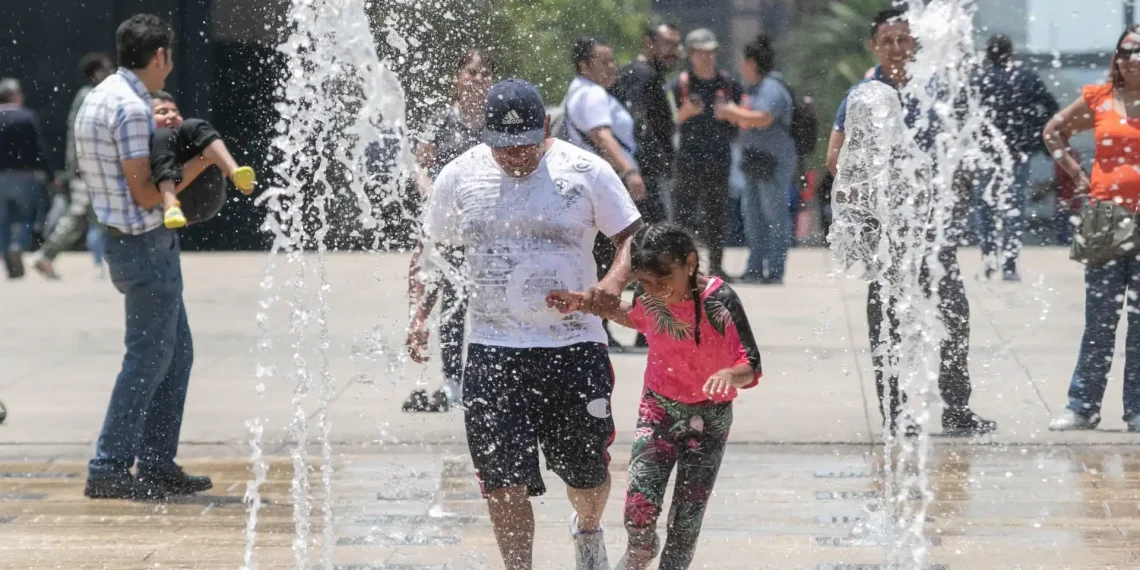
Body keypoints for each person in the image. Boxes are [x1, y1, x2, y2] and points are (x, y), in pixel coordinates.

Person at [407, 78, 642, 570]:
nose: (515, 157)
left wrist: (613, 283)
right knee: (501, 477)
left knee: (584, 474)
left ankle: (588, 528)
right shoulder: (460, 175)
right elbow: (429, 250)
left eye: (525, 145)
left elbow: (633, 237)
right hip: (493, 349)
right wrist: (418, 316)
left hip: (574, 345)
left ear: (546, 127)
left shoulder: (586, 170)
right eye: (503, 148)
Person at [545, 223, 760, 570]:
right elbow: (635, 318)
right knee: (639, 506)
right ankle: (640, 550)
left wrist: (730, 375)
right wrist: (584, 304)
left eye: (664, 282)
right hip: (658, 410)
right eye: (645, 284)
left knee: (686, 519)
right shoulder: (651, 297)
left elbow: (751, 363)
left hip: (711, 419)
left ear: (690, 263)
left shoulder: (720, 301)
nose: (657, 292)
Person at [827, 8, 997, 437]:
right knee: (887, 323)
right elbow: (836, 158)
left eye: (903, 40)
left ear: (915, 44)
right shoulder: (862, 96)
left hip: (932, 232)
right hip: (887, 234)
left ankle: (957, 408)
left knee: (954, 318)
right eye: (887, 40)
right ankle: (895, 414)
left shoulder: (935, 90)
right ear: (874, 46)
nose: (896, 48)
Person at [76, 14, 210, 500]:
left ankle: (155, 462)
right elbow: (147, 195)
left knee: (175, 353)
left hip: (126, 243)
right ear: (159, 56)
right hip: (144, 246)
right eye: (168, 59)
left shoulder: (99, 96)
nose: (169, 69)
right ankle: (109, 466)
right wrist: (205, 161)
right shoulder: (131, 108)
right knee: (149, 358)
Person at [1043, 27, 1140, 432]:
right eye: (1127, 51)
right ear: (1117, 58)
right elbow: (1053, 132)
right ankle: (1082, 406)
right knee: (1100, 317)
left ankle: (1136, 410)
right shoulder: (1098, 98)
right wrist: (1079, 176)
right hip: (1105, 220)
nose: (1134, 58)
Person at [402, 48, 494, 413]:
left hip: (488, 228)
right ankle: (454, 382)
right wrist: (432, 194)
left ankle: (490, 377)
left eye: (484, 72)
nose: (477, 78)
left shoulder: (496, 120)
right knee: (453, 306)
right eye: (470, 72)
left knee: (491, 304)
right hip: (449, 229)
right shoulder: (442, 119)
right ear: (458, 78)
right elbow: (419, 166)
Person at [564, 36, 646, 351]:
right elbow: (602, 136)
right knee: (630, 252)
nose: (612, 68)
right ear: (585, 65)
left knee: (599, 256)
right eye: (604, 62)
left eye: (612, 60)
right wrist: (630, 171)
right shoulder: (593, 94)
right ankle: (634, 323)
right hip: (607, 184)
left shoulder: (580, 91)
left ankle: (605, 324)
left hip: (591, 185)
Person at [972, 34, 1059, 282]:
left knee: (985, 207)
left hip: (986, 154)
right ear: (1011, 53)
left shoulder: (980, 79)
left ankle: (989, 261)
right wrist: (1038, 130)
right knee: (1014, 208)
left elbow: (961, 111)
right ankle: (1009, 266)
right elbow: (1052, 106)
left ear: (988, 54)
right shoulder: (1027, 77)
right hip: (1019, 153)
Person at [714, 34, 797, 284]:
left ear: (752, 62)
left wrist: (730, 111)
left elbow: (763, 117)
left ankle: (775, 270)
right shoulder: (756, 88)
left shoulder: (772, 88)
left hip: (772, 163)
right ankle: (754, 268)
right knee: (753, 217)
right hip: (754, 162)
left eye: (744, 62)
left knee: (774, 216)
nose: (741, 67)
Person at [33, 53, 116, 280]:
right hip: (90, 169)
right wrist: (77, 166)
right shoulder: (90, 96)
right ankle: (47, 256)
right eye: (107, 68)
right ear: (96, 73)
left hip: (92, 167)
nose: (111, 72)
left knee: (88, 217)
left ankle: (49, 257)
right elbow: (77, 133)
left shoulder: (94, 95)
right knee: (82, 215)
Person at [668, 28, 742, 280]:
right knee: (684, 214)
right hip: (688, 158)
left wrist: (732, 114)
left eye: (711, 52)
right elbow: (666, 121)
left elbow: (745, 116)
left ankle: (716, 267)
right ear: (690, 54)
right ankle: (681, 267)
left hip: (720, 157)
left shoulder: (728, 84)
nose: (708, 57)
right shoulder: (679, 85)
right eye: (702, 52)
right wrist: (684, 113)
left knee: (717, 214)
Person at [610, 16, 681, 226]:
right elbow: (634, 125)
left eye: (677, 44)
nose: (674, 51)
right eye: (667, 43)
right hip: (643, 178)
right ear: (648, 42)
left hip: (649, 174)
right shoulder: (641, 75)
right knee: (651, 241)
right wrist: (641, 170)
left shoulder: (653, 76)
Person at [148, 91, 255, 217]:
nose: (172, 115)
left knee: (193, 124)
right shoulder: (140, 147)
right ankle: (170, 204)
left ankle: (236, 173)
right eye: (162, 112)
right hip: (176, 203)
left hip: (211, 195)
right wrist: (204, 160)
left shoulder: (188, 134)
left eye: (175, 112)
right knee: (163, 136)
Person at [0, 78, 53, 279]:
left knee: (2, 221)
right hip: (24, 175)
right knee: (26, 217)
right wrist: (50, 174)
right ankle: (18, 245)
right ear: (14, 95)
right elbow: (38, 149)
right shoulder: (26, 117)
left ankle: (7, 255)